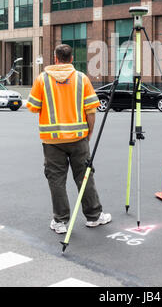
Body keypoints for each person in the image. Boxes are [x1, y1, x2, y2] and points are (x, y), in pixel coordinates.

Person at [26, 44, 111, 234]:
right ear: (71, 59)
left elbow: (32, 107)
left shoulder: (42, 79)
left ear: (55, 58)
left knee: (56, 180)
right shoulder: (82, 79)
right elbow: (91, 111)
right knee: (84, 177)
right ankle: (94, 216)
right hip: (78, 139)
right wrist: (89, 133)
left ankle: (60, 221)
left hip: (52, 141)